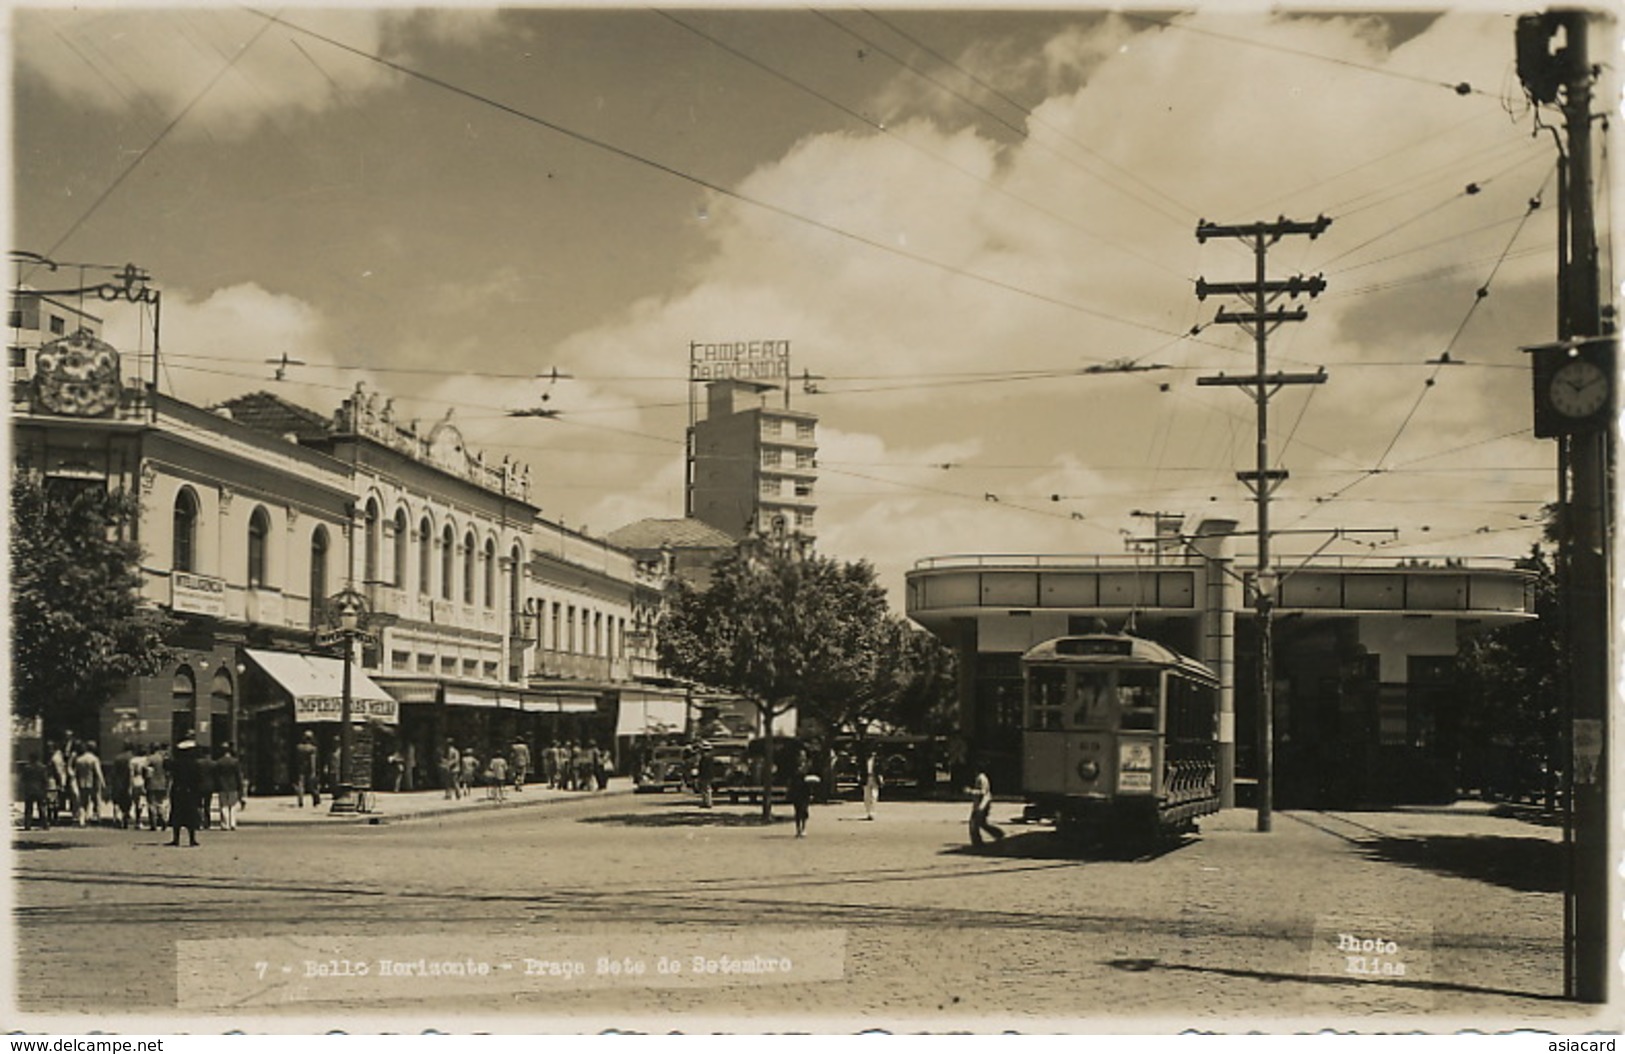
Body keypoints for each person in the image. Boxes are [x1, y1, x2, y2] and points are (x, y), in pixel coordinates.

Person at [168, 736, 203, 846]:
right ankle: (192, 839)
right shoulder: (195, 764)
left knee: (177, 815)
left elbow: (169, 769)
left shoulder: (176, 763)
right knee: (191, 815)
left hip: (178, 791)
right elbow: (198, 779)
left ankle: (176, 839)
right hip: (191, 792)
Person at [967, 765, 1006, 848]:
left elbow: (983, 792)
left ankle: (978, 842)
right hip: (982, 804)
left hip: (982, 805)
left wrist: (971, 791)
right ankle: (998, 834)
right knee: (981, 823)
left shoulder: (981, 778)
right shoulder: (981, 777)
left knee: (974, 824)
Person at [72, 741, 106, 827]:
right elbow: (98, 772)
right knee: (95, 800)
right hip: (92, 783)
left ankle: (82, 820)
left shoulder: (79, 759)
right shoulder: (94, 759)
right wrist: (103, 783)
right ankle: (95, 817)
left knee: (82, 802)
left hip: (81, 782)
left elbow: (75, 772)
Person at [215, 742, 246, 831]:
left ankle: (225, 824)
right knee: (232, 805)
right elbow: (238, 775)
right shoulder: (235, 762)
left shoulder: (219, 762)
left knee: (224, 805)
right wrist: (240, 786)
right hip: (233, 786)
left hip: (222, 786)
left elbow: (217, 776)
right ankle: (232, 823)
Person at [20, 753, 50, 830]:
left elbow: (23, 779)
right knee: (41, 807)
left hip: (29, 790)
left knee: (29, 809)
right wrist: (45, 789)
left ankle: (27, 825)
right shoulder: (42, 768)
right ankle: (45, 824)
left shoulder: (27, 768)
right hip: (39, 789)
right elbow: (45, 779)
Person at [145, 744, 170, 830]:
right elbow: (168, 772)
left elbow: (146, 771)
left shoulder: (150, 759)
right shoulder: (163, 758)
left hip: (152, 783)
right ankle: (163, 819)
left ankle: (153, 823)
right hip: (162, 783)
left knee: (152, 803)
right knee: (161, 803)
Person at [110, 742, 134, 829]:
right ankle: (125, 819)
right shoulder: (132, 758)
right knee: (127, 803)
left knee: (117, 802)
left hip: (118, 783)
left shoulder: (118, 758)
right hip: (128, 783)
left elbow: (113, 773)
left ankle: (117, 818)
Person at [862, 747, 883, 821]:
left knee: (874, 796)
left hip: (874, 778)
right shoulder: (864, 761)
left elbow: (880, 769)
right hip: (867, 778)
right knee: (866, 796)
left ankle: (873, 812)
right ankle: (868, 812)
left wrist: (880, 777)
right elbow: (861, 769)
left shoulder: (877, 761)